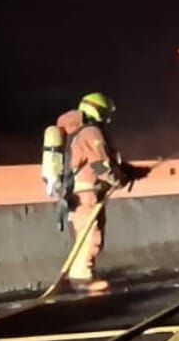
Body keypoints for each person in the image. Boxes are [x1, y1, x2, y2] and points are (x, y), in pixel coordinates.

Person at [41, 92, 144, 294]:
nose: (108, 118)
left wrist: (129, 171)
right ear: (97, 111)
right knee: (91, 236)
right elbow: (100, 166)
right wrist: (119, 180)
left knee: (83, 234)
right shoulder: (90, 132)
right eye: (106, 113)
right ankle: (81, 278)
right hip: (86, 192)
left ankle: (80, 274)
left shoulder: (73, 131)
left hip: (74, 193)